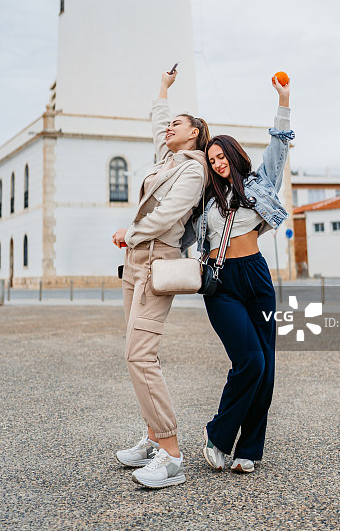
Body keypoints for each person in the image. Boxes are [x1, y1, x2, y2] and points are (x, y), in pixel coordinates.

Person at [112, 69, 209, 489]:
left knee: (139, 353)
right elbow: (158, 124)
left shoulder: (194, 169)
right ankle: (153, 440)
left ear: (195, 134)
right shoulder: (167, 159)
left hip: (157, 260)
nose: (168, 129)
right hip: (135, 263)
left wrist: (130, 232)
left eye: (177, 125)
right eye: (169, 125)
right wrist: (163, 91)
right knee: (133, 351)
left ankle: (171, 454)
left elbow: (170, 214)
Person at [194, 74, 294, 473]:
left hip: (256, 276)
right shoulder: (204, 196)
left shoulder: (258, 184)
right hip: (221, 283)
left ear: (234, 156)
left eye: (221, 157)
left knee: (266, 365)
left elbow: (279, 148)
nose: (217, 163)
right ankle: (218, 437)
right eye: (212, 159)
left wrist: (284, 102)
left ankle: (249, 450)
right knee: (249, 360)